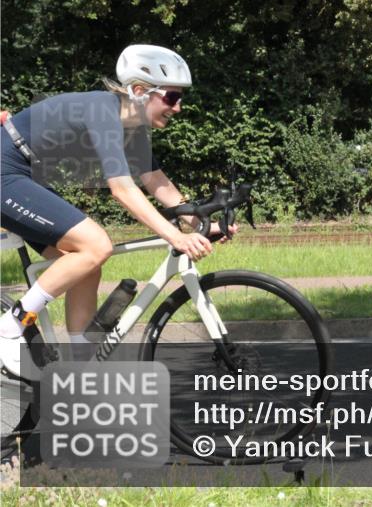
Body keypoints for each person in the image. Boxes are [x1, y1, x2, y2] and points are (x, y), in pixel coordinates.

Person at [0, 45, 232, 379]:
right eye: (171, 97)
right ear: (139, 91)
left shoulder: (132, 126)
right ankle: (12, 326)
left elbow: (155, 181)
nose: (178, 107)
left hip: (22, 173)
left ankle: (78, 368)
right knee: (96, 245)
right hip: (5, 171)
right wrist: (175, 237)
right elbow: (122, 189)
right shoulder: (103, 112)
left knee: (85, 263)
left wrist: (199, 223)